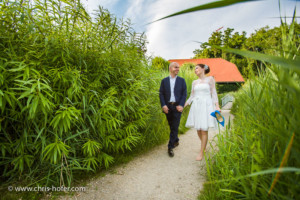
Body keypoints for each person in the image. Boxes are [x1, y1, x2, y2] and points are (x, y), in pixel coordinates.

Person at [184, 64, 220, 161]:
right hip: (196, 106)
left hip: (206, 105)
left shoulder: (210, 79)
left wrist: (217, 106)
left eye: (196, 68)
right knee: (198, 130)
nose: (195, 70)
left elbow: (214, 94)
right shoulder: (194, 82)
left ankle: (201, 152)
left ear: (203, 69)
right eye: (194, 69)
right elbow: (192, 95)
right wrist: (185, 104)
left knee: (204, 129)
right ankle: (204, 146)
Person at [159, 62, 187, 157]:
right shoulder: (164, 81)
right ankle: (176, 140)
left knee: (175, 126)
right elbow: (161, 94)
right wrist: (163, 105)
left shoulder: (182, 81)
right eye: (176, 67)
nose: (177, 69)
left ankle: (170, 147)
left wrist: (182, 105)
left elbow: (184, 94)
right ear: (170, 68)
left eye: (178, 67)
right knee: (171, 126)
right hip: (168, 107)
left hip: (177, 107)